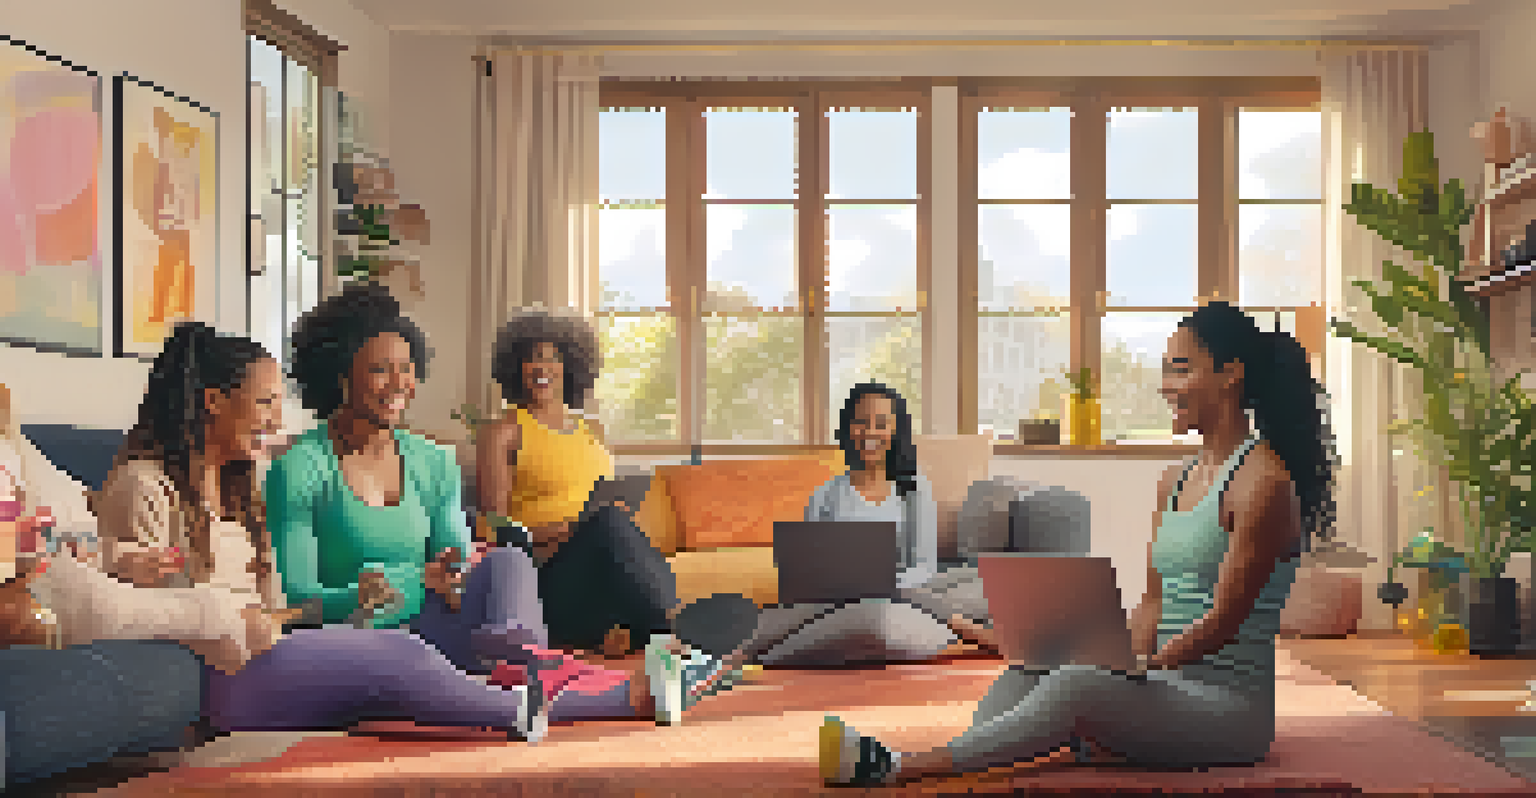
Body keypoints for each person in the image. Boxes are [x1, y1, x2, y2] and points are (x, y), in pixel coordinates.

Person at [819, 302, 1336, 786]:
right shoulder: (1173, 482)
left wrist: (1130, 670)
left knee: (1077, 686)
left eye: (1181, 369)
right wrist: (1084, 651)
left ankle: (897, 767)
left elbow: (1223, 623)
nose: (1166, 386)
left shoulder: (1264, 483)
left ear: (1231, 373)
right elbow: (1153, 605)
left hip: (1228, 710)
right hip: (1162, 686)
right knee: (1028, 674)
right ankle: (1008, 750)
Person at [731, 383, 988, 668]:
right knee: (849, 614)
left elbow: (924, 566)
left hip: (908, 592)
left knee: (981, 584)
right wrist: (857, 588)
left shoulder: (913, 491)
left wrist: (885, 586)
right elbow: (807, 578)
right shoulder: (825, 495)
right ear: (847, 428)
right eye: (861, 423)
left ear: (895, 432)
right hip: (839, 600)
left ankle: (753, 651)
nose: (870, 433)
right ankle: (966, 630)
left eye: (881, 424)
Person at [476, 307, 681, 658]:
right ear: (516, 369)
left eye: (552, 359)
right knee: (608, 524)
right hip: (546, 582)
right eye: (530, 359)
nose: (542, 368)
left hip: (600, 574)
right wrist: (570, 529)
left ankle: (652, 641)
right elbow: (493, 529)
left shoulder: (592, 431)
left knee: (618, 529)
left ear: (570, 367)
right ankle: (682, 634)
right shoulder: (503, 433)